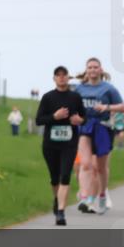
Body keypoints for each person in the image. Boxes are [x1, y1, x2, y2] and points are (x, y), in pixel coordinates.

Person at [35, 66, 86, 225]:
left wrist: (80, 120)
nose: (62, 78)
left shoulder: (75, 97)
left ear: (68, 78)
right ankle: (57, 199)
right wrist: (54, 116)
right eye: (58, 75)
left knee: (65, 175)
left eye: (64, 75)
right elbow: (39, 120)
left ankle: (61, 212)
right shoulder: (48, 97)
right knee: (54, 177)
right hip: (50, 144)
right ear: (54, 78)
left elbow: (84, 117)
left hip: (69, 144)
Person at [75, 59, 124, 215]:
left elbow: (122, 107)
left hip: (103, 128)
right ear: (86, 70)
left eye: (95, 67)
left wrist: (106, 107)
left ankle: (102, 195)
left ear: (100, 70)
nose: (92, 70)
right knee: (85, 164)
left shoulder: (108, 89)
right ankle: (84, 197)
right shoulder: (79, 89)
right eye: (90, 67)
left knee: (100, 168)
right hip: (85, 127)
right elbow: (73, 107)